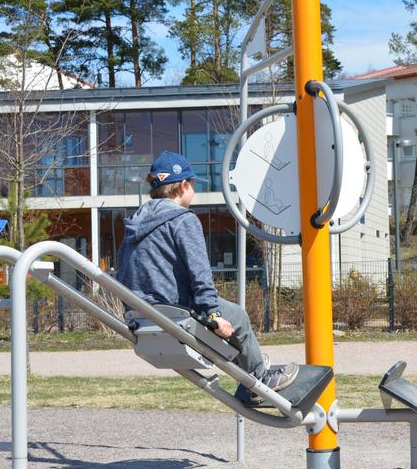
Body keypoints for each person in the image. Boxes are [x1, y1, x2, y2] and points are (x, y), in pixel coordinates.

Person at [117, 150, 298, 394]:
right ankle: (259, 379)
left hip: (141, 317)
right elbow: (199, 274)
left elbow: (124, 273)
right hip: (177, 314)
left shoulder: (134, 224)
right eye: (193, 185)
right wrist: (213, 316)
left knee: (230, 323)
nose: (194, 190)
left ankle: (249, 372)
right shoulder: (183, 220)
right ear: (182, 186)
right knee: (239, 318)